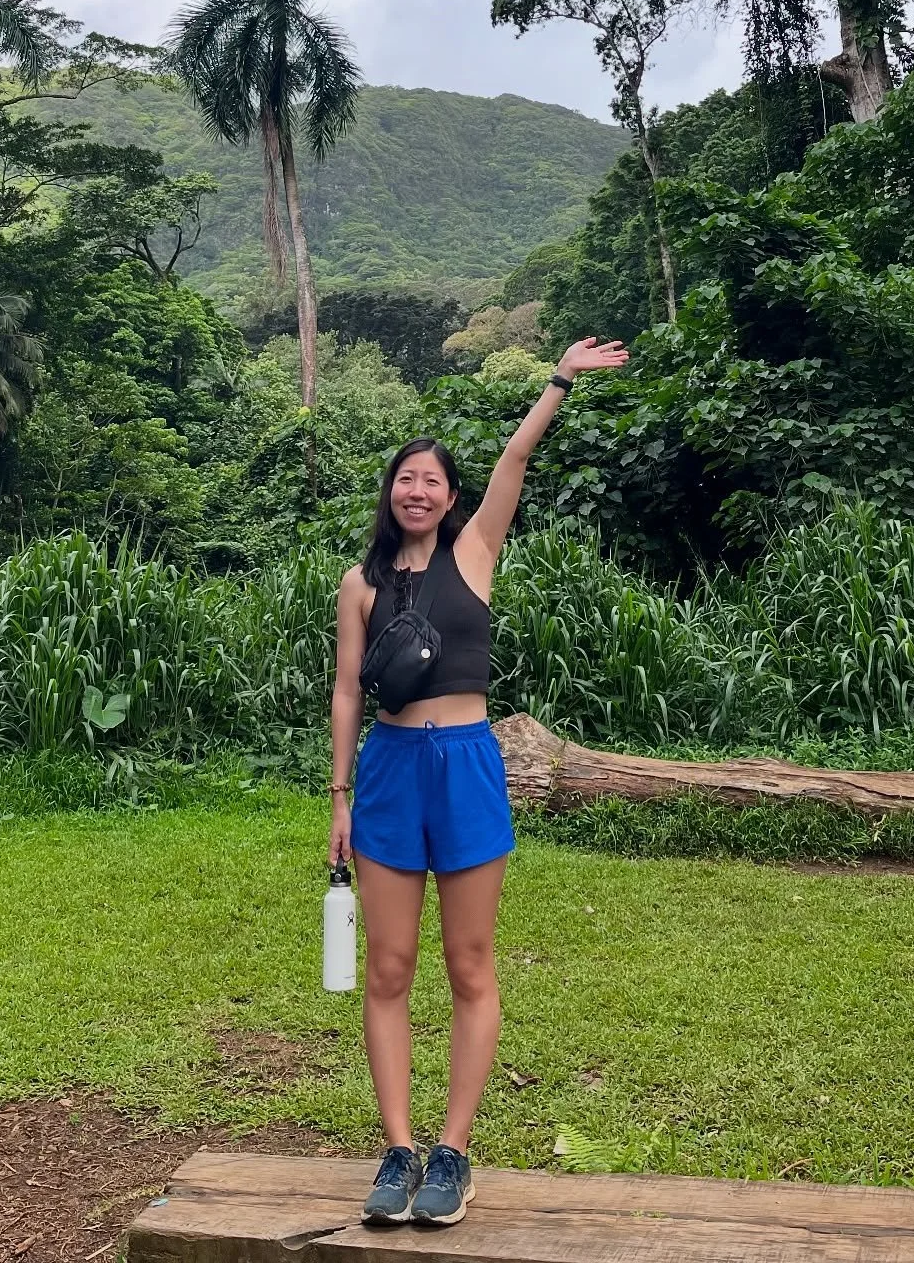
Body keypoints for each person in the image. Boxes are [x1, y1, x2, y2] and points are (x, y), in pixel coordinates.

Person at [328, 336, 630, 1227]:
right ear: (390, 492)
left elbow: (516, 454)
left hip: (465, 766)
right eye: (404, 478)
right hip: (385, 771)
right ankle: (396, 1149)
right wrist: (338, 797)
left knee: (468, 963)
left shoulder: (477, 552)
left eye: (432, 480)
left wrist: (560, 378)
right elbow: (348, 688)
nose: (416, 490)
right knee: (387, 968)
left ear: (451, 497)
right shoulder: (360, 581)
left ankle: (453, 1152)